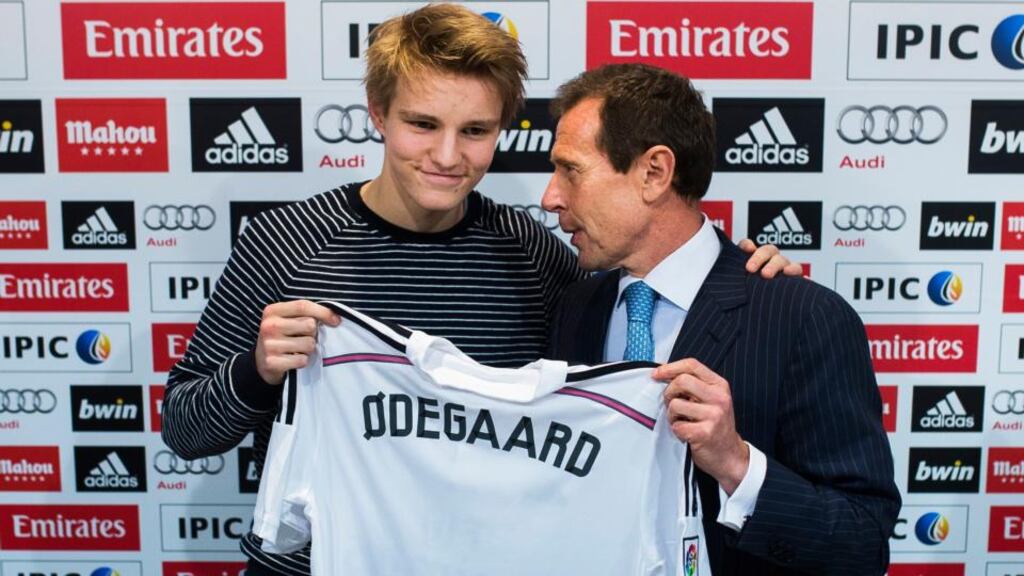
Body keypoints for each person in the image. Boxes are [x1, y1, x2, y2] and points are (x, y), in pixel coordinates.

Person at [161, 5, 796, 575]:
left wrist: (734, 270)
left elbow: (629, 332)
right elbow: (186, 431)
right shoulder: (286, 241)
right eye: (421, 123)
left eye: (475, 131)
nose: (446, 155)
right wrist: (257, 371)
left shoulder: (535, 255)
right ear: (378, 114)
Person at [542, 63, 901, 576]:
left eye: (570, 170)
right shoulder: (577, 308)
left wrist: (737, 464)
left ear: (654, 172)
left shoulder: (804, 317)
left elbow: (862, 543)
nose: (550, 197)